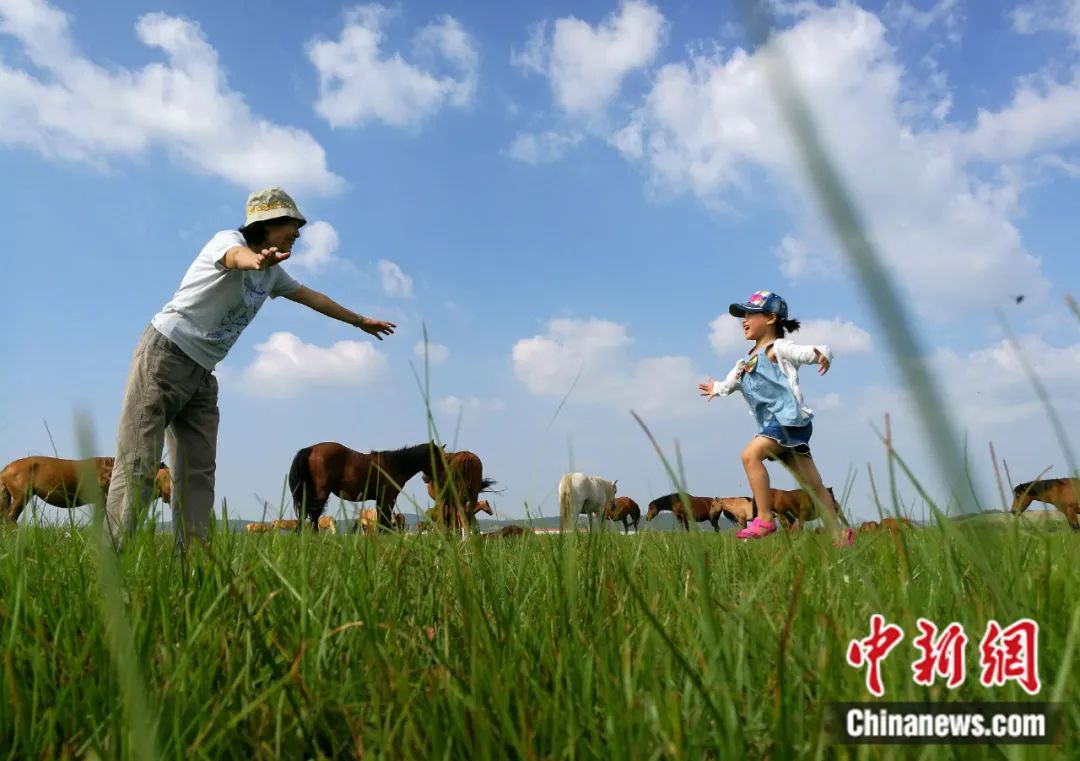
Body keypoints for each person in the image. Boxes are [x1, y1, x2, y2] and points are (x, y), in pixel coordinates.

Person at [106, 187, 396, 550]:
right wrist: (255, 261)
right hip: (164, 356)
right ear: (268, 224)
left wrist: (359, 321)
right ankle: (111, 559)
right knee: (139, 462)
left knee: (197, 473)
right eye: (293, 224)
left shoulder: (274, 275)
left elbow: (313, 297)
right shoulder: (228, 241)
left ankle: (192, 563)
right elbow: (234, 257)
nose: (298, 232)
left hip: (203, 374)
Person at [698, 290, 853, 545]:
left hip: (785, 422)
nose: (744, 320)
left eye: (751, 315)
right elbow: (729, 384)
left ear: (771, 318)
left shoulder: (777, 348)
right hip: (786, 430)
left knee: (750, 455)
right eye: (743, 316)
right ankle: (839, 535)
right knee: (814, 485)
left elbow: (806, 351)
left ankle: (765, 518)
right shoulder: (744, 363)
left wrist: (821, 353)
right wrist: (716, 388)